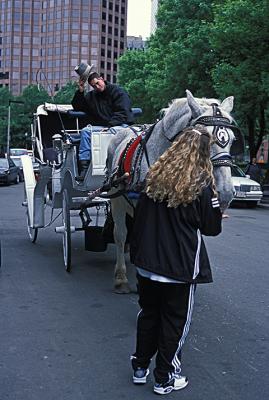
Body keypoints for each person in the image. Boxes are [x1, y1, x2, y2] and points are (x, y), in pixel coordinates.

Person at [129, 127, 223, 395]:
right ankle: (165, 377)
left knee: (148, 314)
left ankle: (139, 367)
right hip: (179, 268)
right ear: (204, 153)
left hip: (147, 265)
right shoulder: (202, 186)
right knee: (174, 322)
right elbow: (211, 229)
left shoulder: (152, 179)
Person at [71, 63, 134, 181]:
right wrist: (80, 90)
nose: (97, 87)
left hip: (121, 126)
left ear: (101, 79)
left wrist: (110, 126)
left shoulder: (118, 91)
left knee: (116, 131)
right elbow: (78, 106)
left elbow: (123, 112)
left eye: (97, 83)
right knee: (85, 131)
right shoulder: (92, 96)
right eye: (93, 86)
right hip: (102, 127)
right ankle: (84, 169)